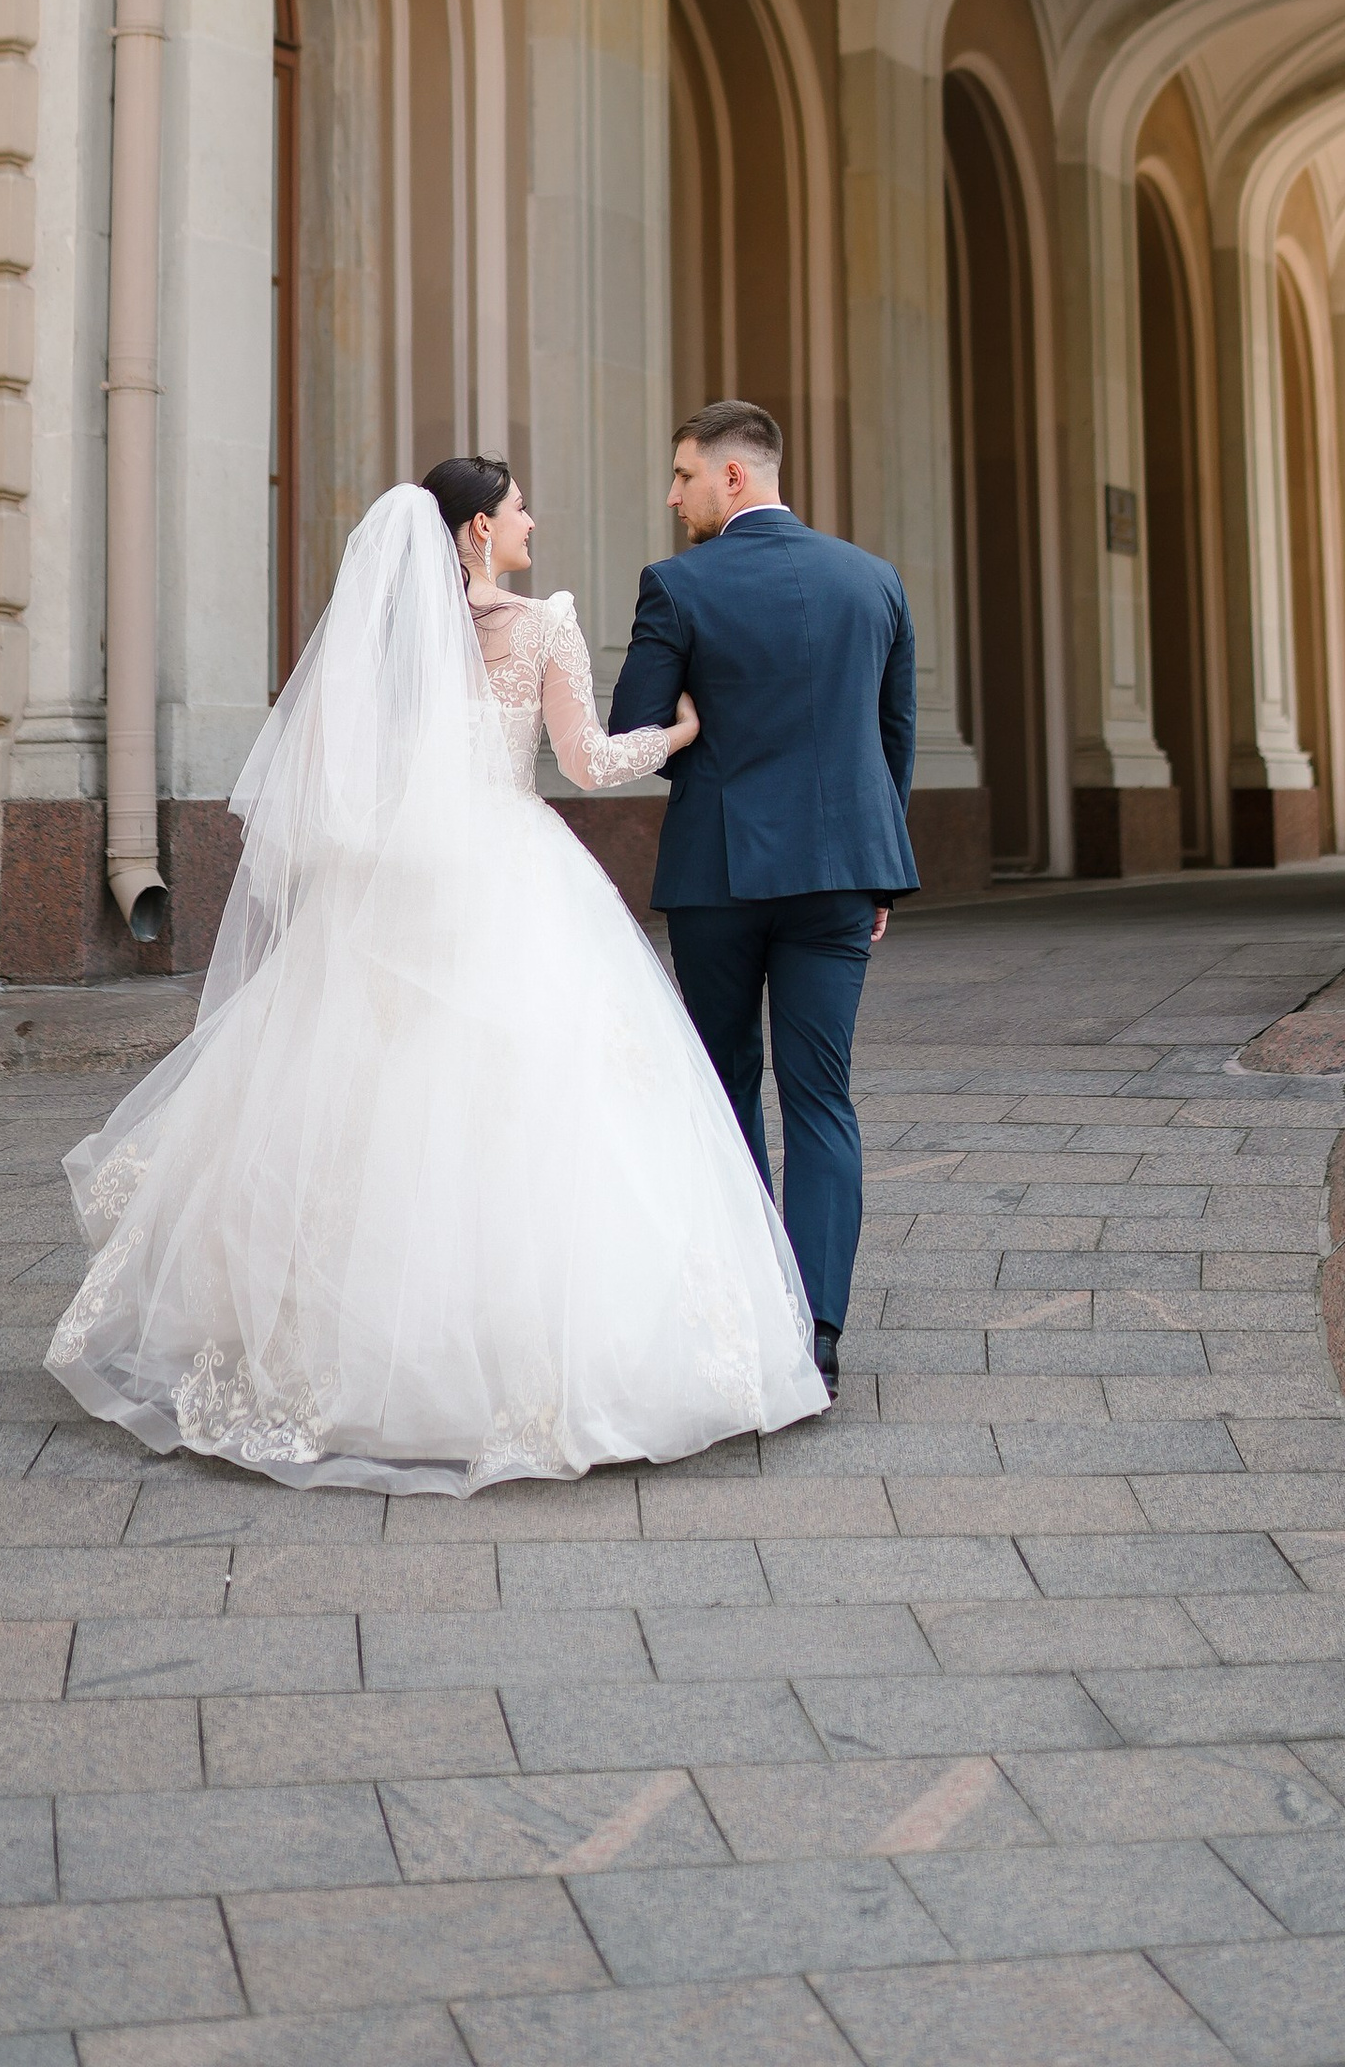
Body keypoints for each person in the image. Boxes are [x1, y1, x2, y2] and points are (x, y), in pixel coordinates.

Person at [45, 465, 827, 1491]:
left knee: (371, 1090)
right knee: (530, 1097)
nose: (531, 520)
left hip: (397, 882)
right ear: (475, 529)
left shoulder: (382, 638)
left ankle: (345, 1350)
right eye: (516, 508)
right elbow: (587, 764)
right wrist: (677, 733)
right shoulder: (541, 627)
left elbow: (332, 770)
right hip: (508, 868)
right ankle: (520, 1362)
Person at [607, 399, 919, 1401]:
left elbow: (635, 728)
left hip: (721, 877)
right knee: (822, 1097)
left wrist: (696, 718)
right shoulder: (874, 581)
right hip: (840, 875)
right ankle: (818, 1330)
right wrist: (875, 866)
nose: (672, 495)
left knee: (724, 1086)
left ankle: (748, 1311)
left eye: (683, 475)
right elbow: (892, 736)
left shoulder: (678, 585)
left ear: (733, 477)